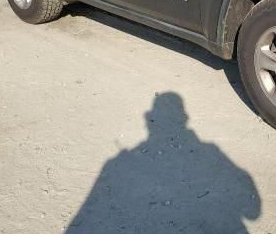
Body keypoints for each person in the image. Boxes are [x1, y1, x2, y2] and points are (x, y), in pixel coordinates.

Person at [65, 92, 260, 233]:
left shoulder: (114, 163)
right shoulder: (212, 151)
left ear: (148, 118)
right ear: (185, 117)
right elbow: (253, 212)